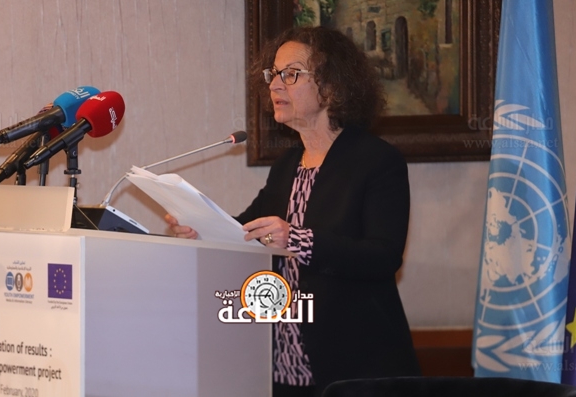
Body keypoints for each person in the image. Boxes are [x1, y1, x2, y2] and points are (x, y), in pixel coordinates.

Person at [166, 26, 420, 396]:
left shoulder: (376, 160)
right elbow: (245, 231)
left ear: (332, 85)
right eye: (274, 74)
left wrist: (297, 239)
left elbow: (383, 256)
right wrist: (199, 228)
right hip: (285, 366)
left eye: (291, 73)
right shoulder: (287, 165)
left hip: (355, 366)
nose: (274, 85)